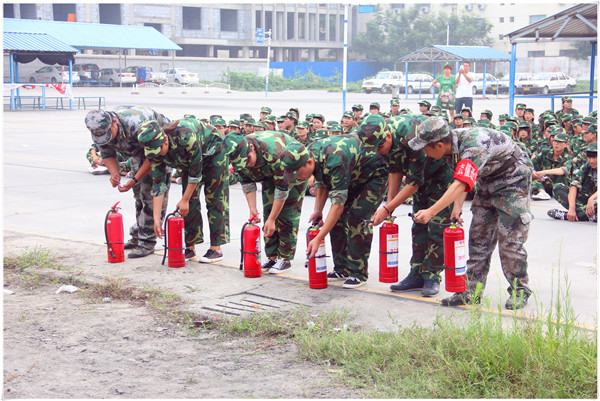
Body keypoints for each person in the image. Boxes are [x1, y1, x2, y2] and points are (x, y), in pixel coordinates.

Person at [410, 117, 534, 310]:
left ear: (439, 145)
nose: (424, 152)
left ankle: (520, 290)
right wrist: (457, 207)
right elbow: (461, 180)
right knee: (478, 239)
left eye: (426, 147)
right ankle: (470, 292)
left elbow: (460, 183)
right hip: (488, 181)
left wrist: (431, 212)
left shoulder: (475, 145)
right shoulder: (452, 149)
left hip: (513, 181)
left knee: (510, 241)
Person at [283, 114, 390, 289]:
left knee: (357, 218)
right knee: (337, 222)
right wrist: (318, 210)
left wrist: (318, 238)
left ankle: (358, 273)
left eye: (298, 173)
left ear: (308, 162)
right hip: (353, 175)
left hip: (373, 175)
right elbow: (322, 182)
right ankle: (343, 268)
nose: (298, 178)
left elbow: (337, 205)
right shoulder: (311, 151)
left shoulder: (335, 160)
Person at [372, 114, 454, 297]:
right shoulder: (382, 140)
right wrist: (389, 206)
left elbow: (413, 183)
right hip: (420, 178)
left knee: (436, 225)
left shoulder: (410, 137)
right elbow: (395, 170)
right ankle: (416, 273)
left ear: (388, 137)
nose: (378, 152)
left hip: (440, 175)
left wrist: (385, 209)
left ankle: (432, 275)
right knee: (418, 224)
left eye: (379, 148)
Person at [84, 106, 171, 259]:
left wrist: (135, 178)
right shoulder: (100, 129)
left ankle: (147, 241)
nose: (107, 138)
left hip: (158, 147)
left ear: (114, 122)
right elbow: (106, 152)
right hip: (138, 152)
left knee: (149, 193)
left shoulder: (136, 124)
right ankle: (138, 236)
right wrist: (115, 173)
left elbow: (152, 156)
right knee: (138, 194)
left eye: (109, 134)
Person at [223, 131, 308, 274]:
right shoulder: (240, 158)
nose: (247, 165)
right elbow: (247, 183)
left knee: (287, 213)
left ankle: (285, 258)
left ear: (251, 147)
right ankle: (272, 256)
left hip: (292, 170)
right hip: (268, 173)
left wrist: (273, 219)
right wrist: (252, 209)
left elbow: (282, 190)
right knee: (267, 211)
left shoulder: (274, 152)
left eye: (248, 160)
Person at [548, 142, 597, 223]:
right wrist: (572, 209)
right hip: (585, 199)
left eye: (595, 157)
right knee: (558, 188)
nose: (591, 161)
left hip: (595, 201)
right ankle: (586, 216)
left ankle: (566, 216)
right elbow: (574, 186)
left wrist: (592, 198)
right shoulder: (587, 167)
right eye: (589, 157)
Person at [531, 129, 572, 201]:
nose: (556, 144)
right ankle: (542, 192)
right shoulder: (545, 152)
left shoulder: (568, 158)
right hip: (543, 182)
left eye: (560, 142)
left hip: (558, 184)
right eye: (555, 141)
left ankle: (542, 192)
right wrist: (532, 171)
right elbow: (531, 163)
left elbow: (562, 171)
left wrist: (544, 172)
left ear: (566, 144)